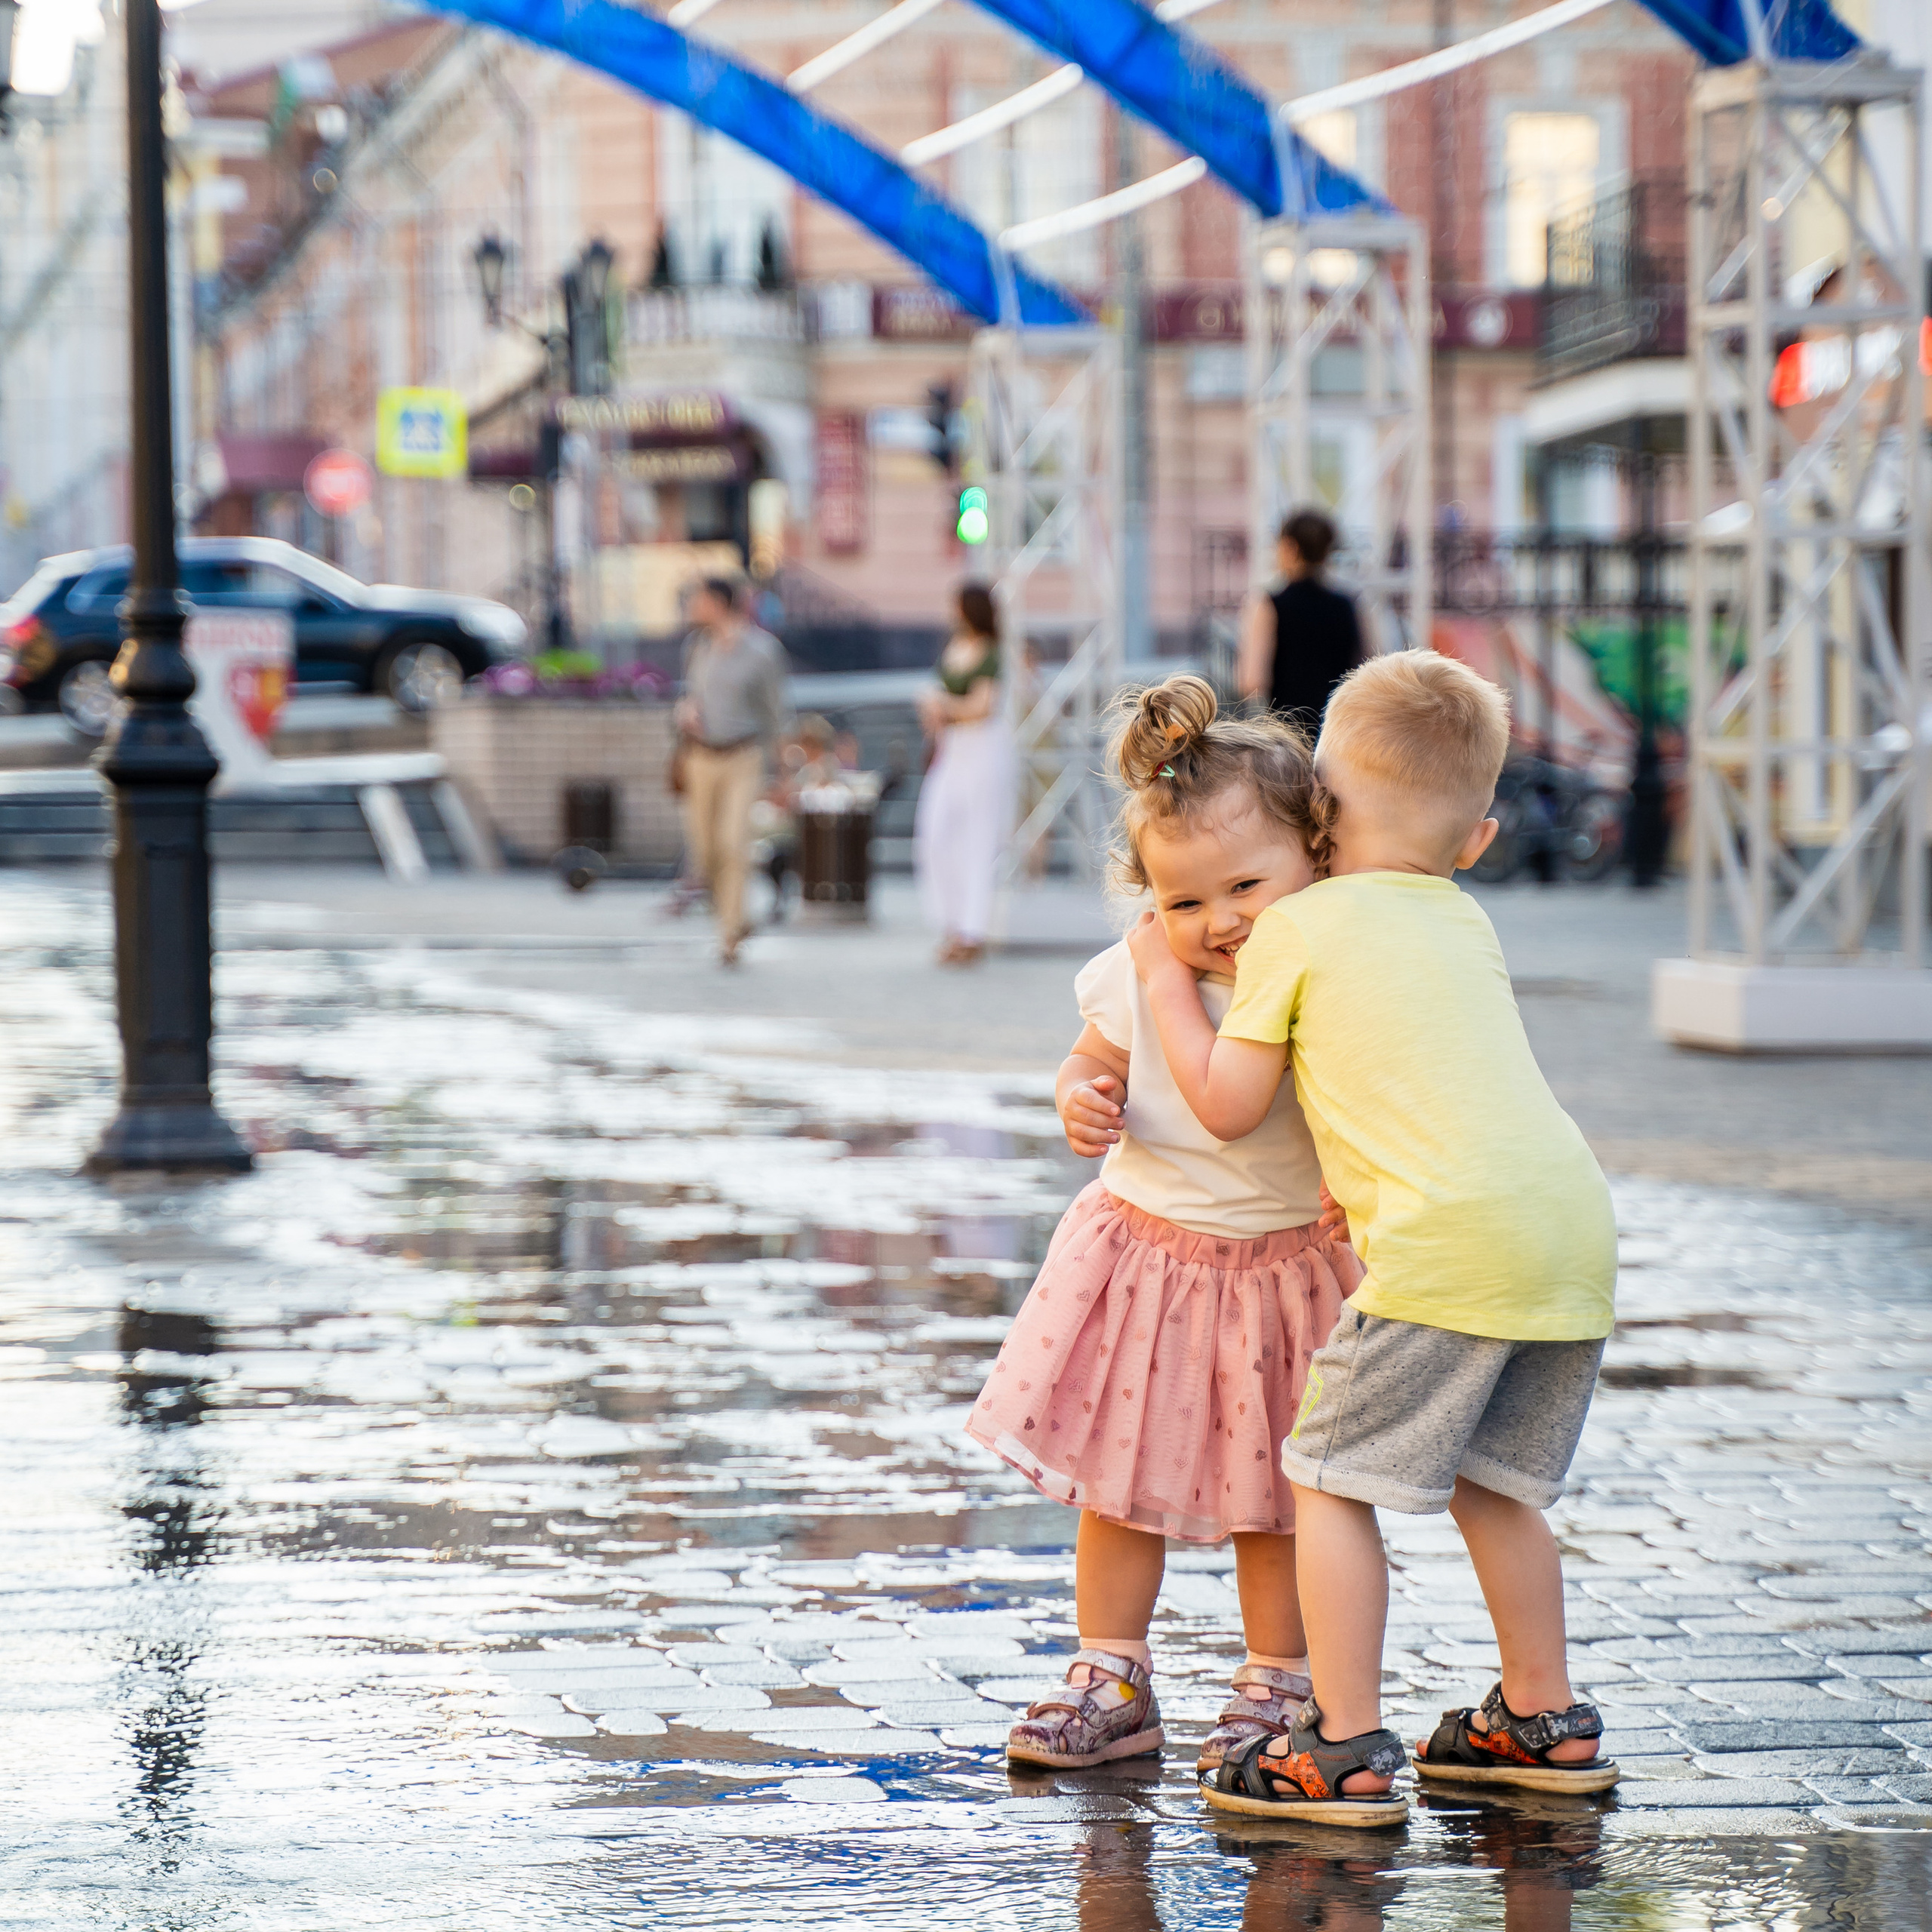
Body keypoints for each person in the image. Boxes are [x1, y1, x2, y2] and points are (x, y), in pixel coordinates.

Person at [1128, 650, 1620, 1826]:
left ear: (1323, 812)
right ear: (1477, 840)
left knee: (1326, 1478)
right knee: (1499, 1489)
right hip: (1569, 1238)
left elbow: (1231, 1103)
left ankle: (1339, 1743)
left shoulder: (1298, 929)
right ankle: (1541, 1724)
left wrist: (1157, 978)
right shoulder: (1465, 919)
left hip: (1446, 1250)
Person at [967, 674, 1365, 1801]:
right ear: (1150, 903)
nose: (1220, 922)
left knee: (1282, 1496)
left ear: (1318, 863)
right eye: (1186, 904)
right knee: (1117, 1479)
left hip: (1286, 1270)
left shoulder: (1317, 977)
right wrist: (1079, 1091)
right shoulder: (1144, 975)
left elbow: (1354, 1099)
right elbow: (1096, 1055)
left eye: (1249, 885)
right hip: (1147, 1259)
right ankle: (1112, 1670)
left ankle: (1280, 1676)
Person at [675, 576, 789, 965]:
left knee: (733, 842)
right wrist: (684, 712)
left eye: (698, 599)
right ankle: (735, 915)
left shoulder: (762, 651)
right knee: (704, 851)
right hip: (700, 757)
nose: (692, 606)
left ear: (720, 603)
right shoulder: (698, 647)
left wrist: (781, 772)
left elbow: (775, 713)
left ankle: (730, 934)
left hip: (744, 755)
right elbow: (691, 695)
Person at [914, 584, 1012, 966]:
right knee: (935, 836)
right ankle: (952, 922)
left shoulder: (991, 654)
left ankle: (972, 930)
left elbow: (982, 707)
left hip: (983, 749)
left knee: (978, 841)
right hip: (952, 750)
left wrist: (942, 705)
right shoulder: (954, 649)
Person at [1238, 509, 1364, 731]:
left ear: (1290, 547)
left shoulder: (1268, 605)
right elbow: (1366, 667)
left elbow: (1252, 681)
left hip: (1288, 735)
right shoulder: (1348, 605)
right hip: (1338, 732)